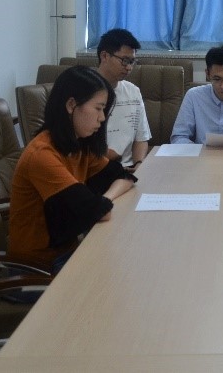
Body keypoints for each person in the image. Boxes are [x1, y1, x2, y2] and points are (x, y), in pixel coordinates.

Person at [9, 66, 137, 273]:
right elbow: (97, 212)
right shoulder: (42, 155)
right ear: (71, 105)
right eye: (98, 108)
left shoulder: (78, 145)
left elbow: (124, 177)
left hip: (69, 251)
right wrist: (101, 205)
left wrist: (105, 200)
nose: (102, 118)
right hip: (37, 268)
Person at [95, 28, 151, 171]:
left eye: (132, 61)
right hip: (94, 169)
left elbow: (141, 138)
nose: (129, 67)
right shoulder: (84, 90)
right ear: (104, 56)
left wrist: (138, 165)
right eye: (124, 61)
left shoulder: (133, 91)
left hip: (128, 169)